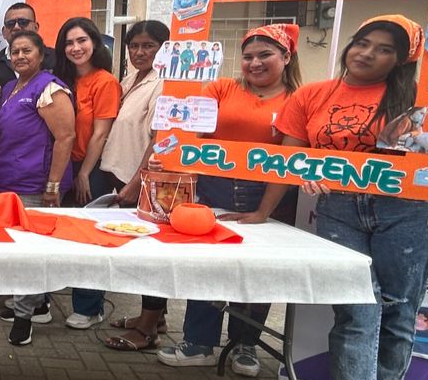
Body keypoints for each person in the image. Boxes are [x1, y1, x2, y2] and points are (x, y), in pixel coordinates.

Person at [225, 15, 428, 380]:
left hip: (412, 210)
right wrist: (268, 206)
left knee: (400, 306)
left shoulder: (423, 97)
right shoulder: (311, 96)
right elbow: (290, 160)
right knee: (356, 305)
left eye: (385, 49)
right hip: (340, 208)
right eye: (363, 42)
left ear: (401, 59)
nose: (368, 53)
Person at [126, 24, 303, 358]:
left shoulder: (298, 99)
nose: (254, 63)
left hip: (266, 194)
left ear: (286, 57)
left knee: (255, 270)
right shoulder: (223, 88)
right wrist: (169, 157)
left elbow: (289, 162)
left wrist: (263, 211)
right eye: (248, 56)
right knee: (205, 265)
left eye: (265, 55)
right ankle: (199, 342)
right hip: (213, 188)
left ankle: (244, 345)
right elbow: (185, 129)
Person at [0, 31, 75, 346]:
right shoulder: (11, 88)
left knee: (29, 254)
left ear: (41, 55)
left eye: (27, 50)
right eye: (15, 52)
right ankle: (38, 304)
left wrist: (52, 185)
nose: (20, 56)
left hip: (37, 186)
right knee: (21, 249)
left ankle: (23, 318)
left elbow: (65, 137)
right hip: (10, 181)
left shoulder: (49, 87)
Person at [53, 17, 120, 330]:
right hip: (63, 165)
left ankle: (91, 306)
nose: (76, 48)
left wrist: (84, 174)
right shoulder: (62, 80)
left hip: (89, 169)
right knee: (63, 233)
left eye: (82, 40)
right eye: (69, 43)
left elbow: (100, 133)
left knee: (89, 238)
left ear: (94, 42)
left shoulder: (105, 82)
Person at [108, 21, 170, 207]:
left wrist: (137, 183)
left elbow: (160, 138)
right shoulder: (129, 80)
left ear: (165, 48)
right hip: (116, 173)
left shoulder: (164, 84)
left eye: (148, 46)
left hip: (137, 181)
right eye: (134, 46)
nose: (139, 52)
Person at [0, 3, 53, 87]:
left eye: (23, 22)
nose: (16, 27)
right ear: (3, 31)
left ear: (36, 27)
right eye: (10, 24)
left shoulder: (56, 57)